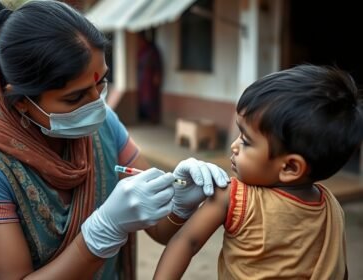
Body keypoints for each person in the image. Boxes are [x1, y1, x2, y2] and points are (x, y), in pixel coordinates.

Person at [0, 1, 230, 279]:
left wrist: (179, 205)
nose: (97, 105)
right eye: (75, 97)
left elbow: (159, 230)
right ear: (20, 101)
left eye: (101, 82)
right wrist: (100, 233)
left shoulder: (104, 127)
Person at [154, 64, 363, 279]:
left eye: (246, 141)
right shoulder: (331, 208)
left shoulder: (234, 198)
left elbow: (185, 241)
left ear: (290, 167)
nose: (234, 146)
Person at [137, 31, 162, 123]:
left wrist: (157, 74)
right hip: (143, 78)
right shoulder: (141, 51)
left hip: (150, 78)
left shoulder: (152, 50)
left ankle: (154, 118)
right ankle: (146, 116)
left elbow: (157, 64)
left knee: (151, 98)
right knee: (143, 98)